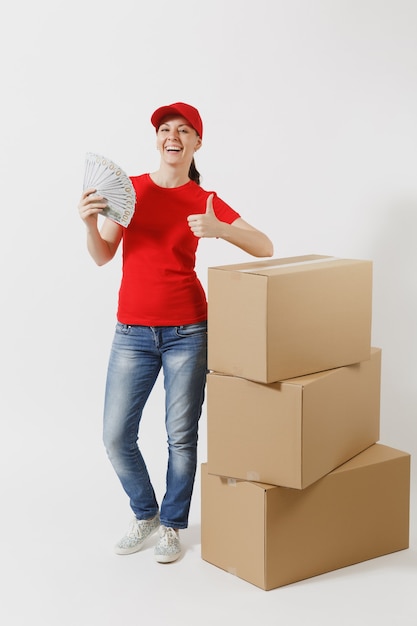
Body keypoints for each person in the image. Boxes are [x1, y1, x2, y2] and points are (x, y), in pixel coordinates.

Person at [78, 102, 273, 563]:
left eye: (184, 130)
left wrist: (220, 229)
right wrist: (90, 223)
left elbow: (265, 247)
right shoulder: (130, 191)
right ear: (157, 140)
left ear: (197, 143)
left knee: (180, 437)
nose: (174, 136)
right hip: (132, 333)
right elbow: (103, 254)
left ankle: (171, 524)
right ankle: (145, 512)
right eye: (166, 129)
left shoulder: (204, 200)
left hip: (189, 331)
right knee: (114, 436)